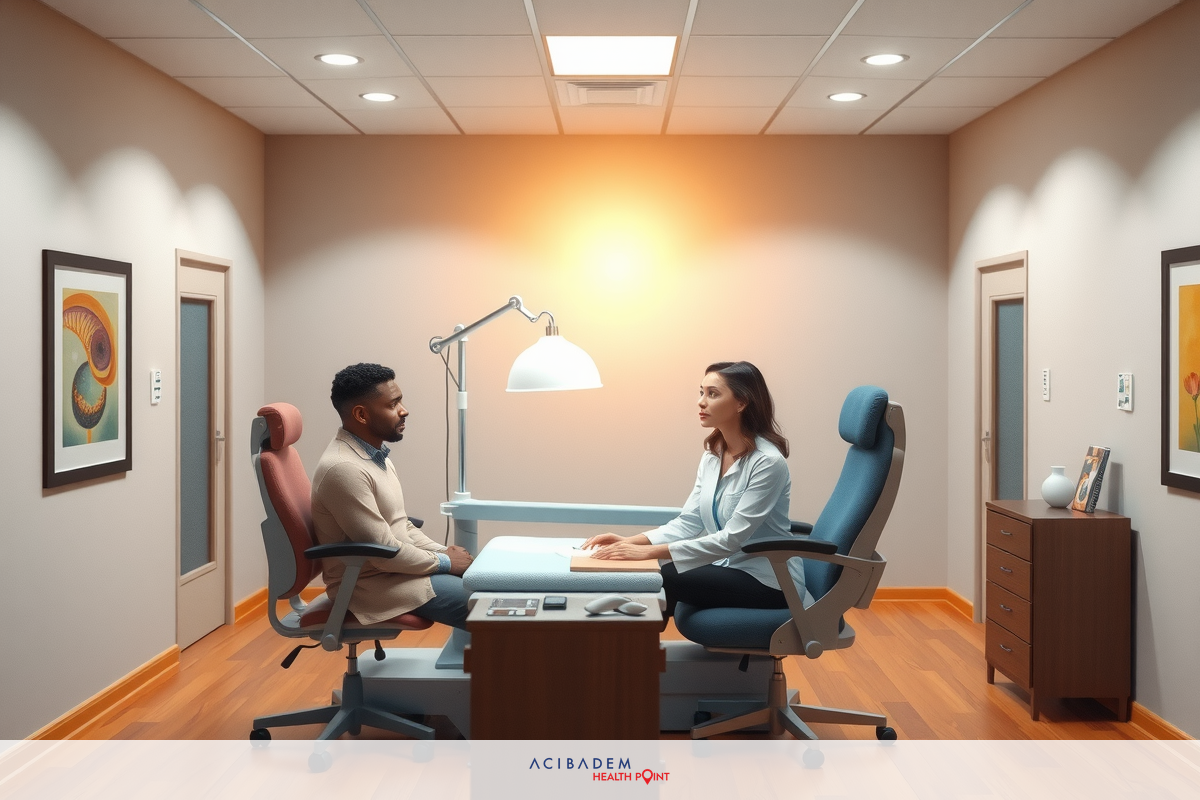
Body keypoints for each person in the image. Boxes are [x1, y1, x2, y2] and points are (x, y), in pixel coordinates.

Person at [582, 361, 804, 619]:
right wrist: (630, 541)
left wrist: (649, 552)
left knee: (666, 574)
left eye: (713, 394)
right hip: (728, 567)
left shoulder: (767, 462)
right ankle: (637, 652)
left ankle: (635, 651)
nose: (701, 402)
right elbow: (689, 521)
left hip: (770, 582)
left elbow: (732, 539)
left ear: (741, 403)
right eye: (701, 392)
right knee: (655, 568)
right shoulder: (714, 454)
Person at [311, 363, 473, 629]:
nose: (404, 410)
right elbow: (383, 552)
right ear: (362, 415)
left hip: (396, 573)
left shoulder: (374, 457)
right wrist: (445, 562)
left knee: (487, 586)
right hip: (369, 586)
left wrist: (444, 553)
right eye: (392, 404)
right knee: (488, 608)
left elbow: (401, 525)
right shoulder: (344, 469)